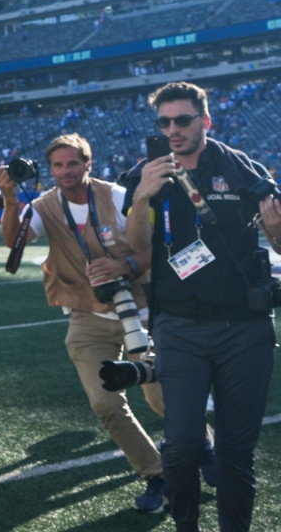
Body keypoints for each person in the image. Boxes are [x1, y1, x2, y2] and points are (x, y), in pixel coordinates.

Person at [124, 81, 281, 532]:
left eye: (183, 120)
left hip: (244, 327)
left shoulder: (239, 167)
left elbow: (280, 241)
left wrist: (275, 227)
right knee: (183, 442)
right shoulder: (144, 173)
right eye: (164, 122)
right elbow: (134, 248)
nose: (172, 129)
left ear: (205, 121)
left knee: (235, 450)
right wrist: (141, 198)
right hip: (178, 325)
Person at [0, 133, 167, 513]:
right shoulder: (44, 205)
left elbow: (157, 246)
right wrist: (9, 198)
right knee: (105, 402)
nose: (65, 171)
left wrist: (125, 265)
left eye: (72, 163)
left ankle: (203, 447)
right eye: (57, 165)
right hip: (87, 314)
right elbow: (14, 243)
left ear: (88, 164)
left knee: (161, 399)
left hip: (137, 307)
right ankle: (156, 474)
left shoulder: (118, 195)